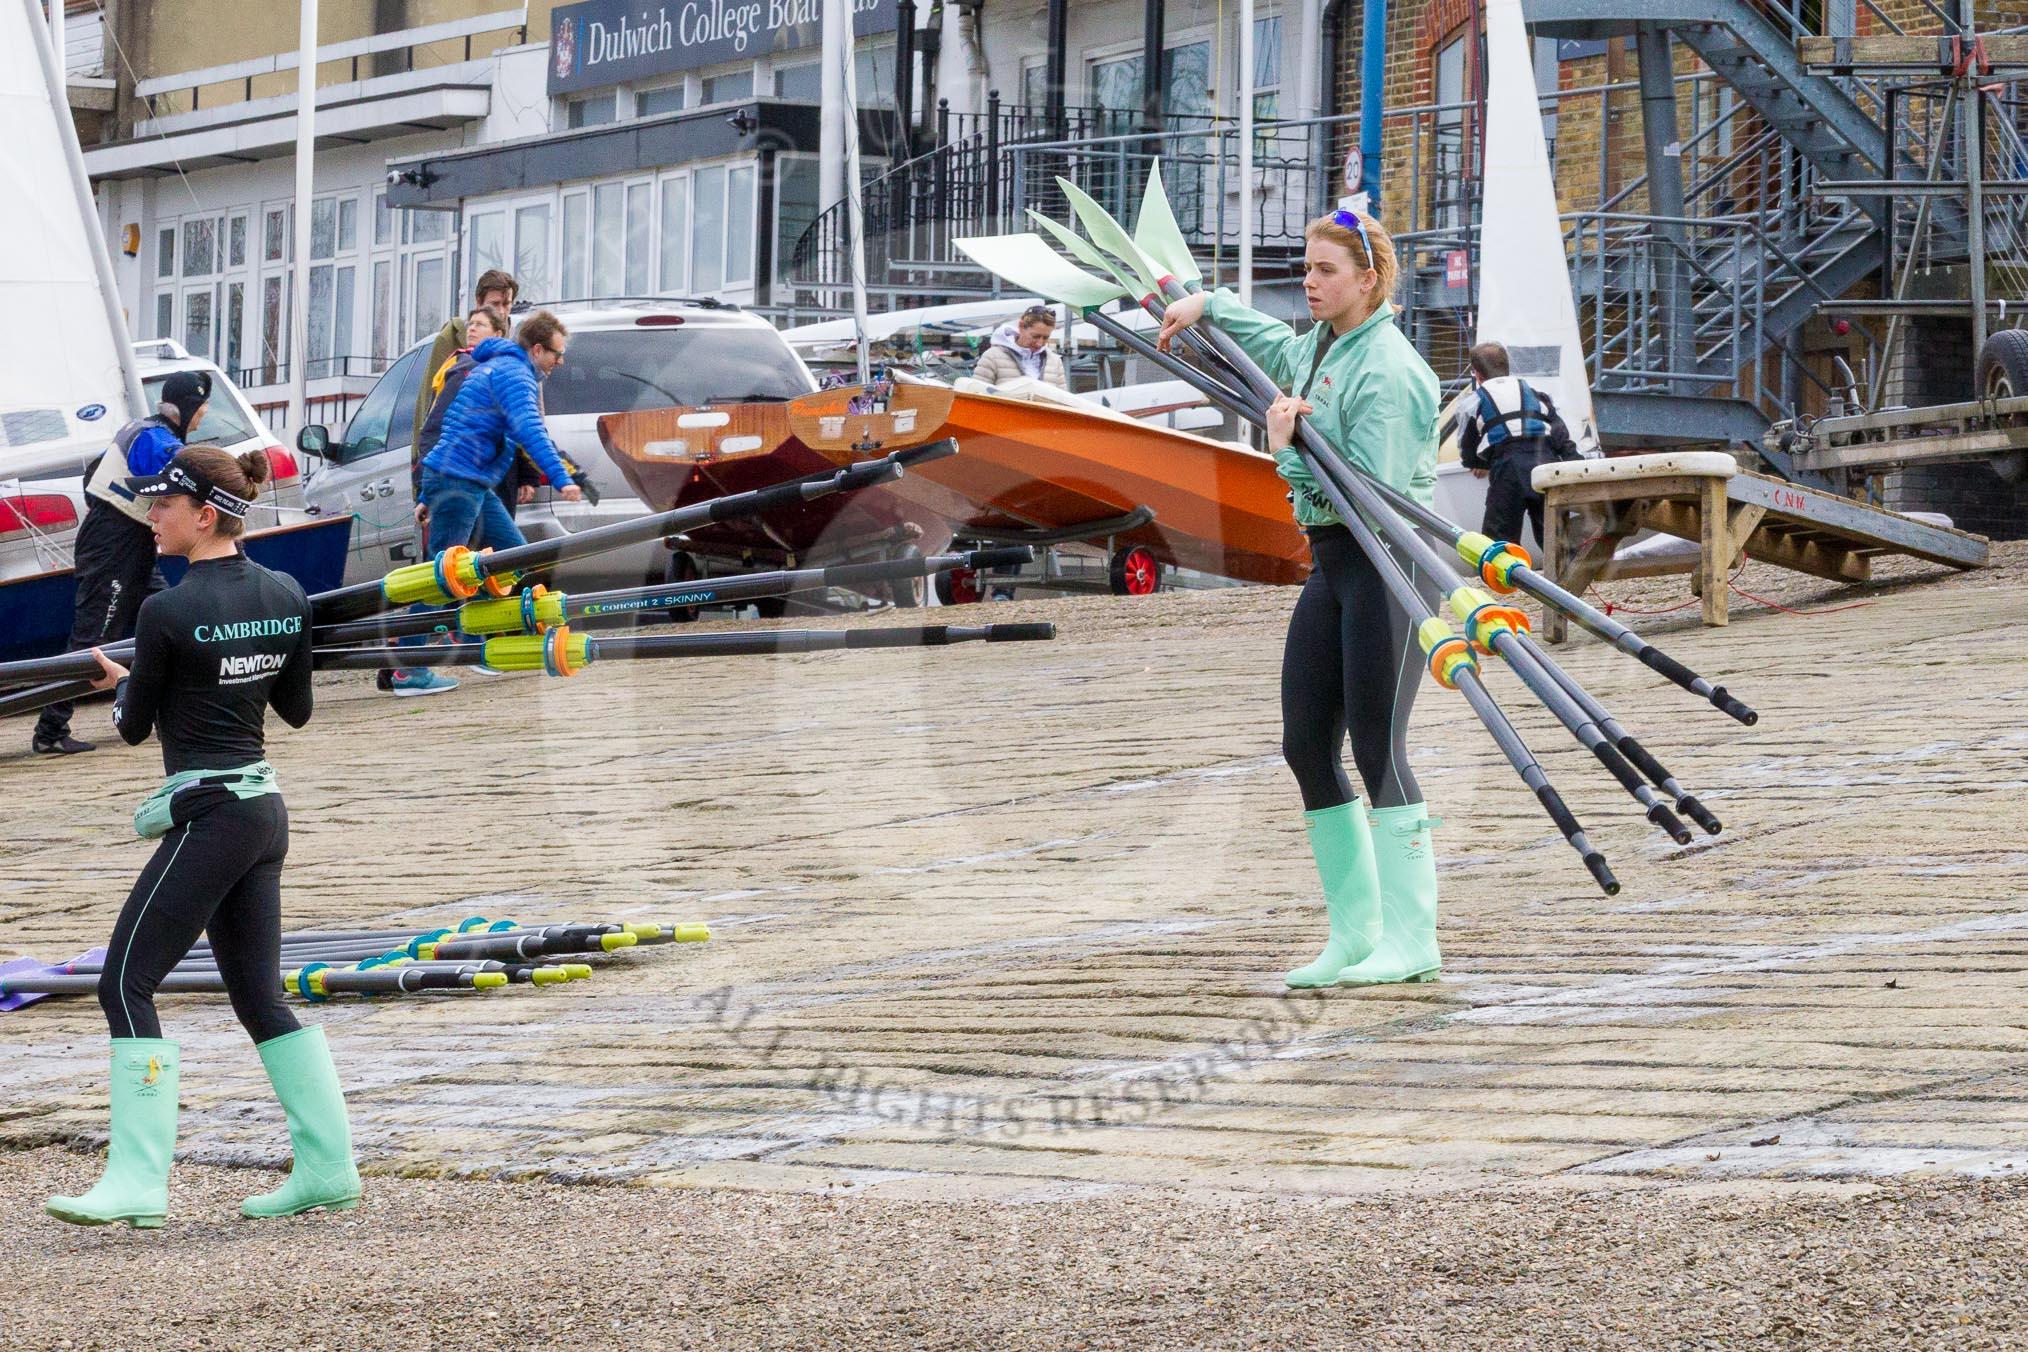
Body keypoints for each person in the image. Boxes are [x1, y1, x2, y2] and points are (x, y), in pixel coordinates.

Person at [43, 445, 360, 1229]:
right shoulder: (286, 592)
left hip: (213, 816)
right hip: (262, 814)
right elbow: (296, 712)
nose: (151, 518)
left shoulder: (165, 611)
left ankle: (139, 1184)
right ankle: (328, 1167)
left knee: (124, 982)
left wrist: (124, 685)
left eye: (161, 507)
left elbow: (132, 728)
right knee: (258, 996)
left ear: (204, 514)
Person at [1158, 208, 1444, 989]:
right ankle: (1356, 935)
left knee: (1380, 750)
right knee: (1306, 743)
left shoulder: (1387, 369)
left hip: (1390, 562)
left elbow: (1371, 496)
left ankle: (1412, 938)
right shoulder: (1324, 342)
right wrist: (1207, 304)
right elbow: (1276, 346)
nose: (1309, 282)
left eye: (1324, 271)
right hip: (1335, 563)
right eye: (1308, 268)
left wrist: (1283, 458)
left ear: (1368, 280)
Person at [32, 372, 211, 756]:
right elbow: (172, 463)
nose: (204, 415)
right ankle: (50, 731)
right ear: (186, 406)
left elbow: (91, 476)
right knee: (93, 636)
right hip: (114, 542)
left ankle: (169, 718)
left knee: (172, 620)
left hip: (129, 539)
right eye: (202, 407)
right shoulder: (154, 437)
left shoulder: (141, 429)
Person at [417, 309, 582, 560]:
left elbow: (456, 426)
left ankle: (482, 598)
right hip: (458, 480)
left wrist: (428, 494)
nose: (560, 361)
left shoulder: (499, 366)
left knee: (512, 559)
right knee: (444, 578)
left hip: (468, 481)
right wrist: (563, 480)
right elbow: (532, 433)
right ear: (537, 350)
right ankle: (433, 600)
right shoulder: (516, 376)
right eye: (557, 354)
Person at [1456, 341, 1579, 546]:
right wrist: (1576, 465)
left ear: (1477, 374)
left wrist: (1480, 464)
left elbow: (1467, 447)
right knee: (1556, 541)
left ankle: (1506, 576)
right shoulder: (1537, 395)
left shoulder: (1472, 402)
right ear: (1507, 368)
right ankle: (1564, 575)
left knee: (1499, 540)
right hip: (1546, 463)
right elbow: (1562, 438)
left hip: (1509, 468)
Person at [413, 269, 517, 451]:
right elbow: (430, 404)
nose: (501, 311)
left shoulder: (518, 342)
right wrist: (421, 458)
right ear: (479, 302)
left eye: (506, 304)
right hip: (456, 453)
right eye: (495, 304)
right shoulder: (450, 340)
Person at [973, 305, 1067, 388]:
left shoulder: (1055, 362)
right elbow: (976, 396)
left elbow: (1064, 402)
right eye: (1035, 336)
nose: (1039, 343)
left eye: (1046, 338)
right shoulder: (992, 357)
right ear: (1021, 326)